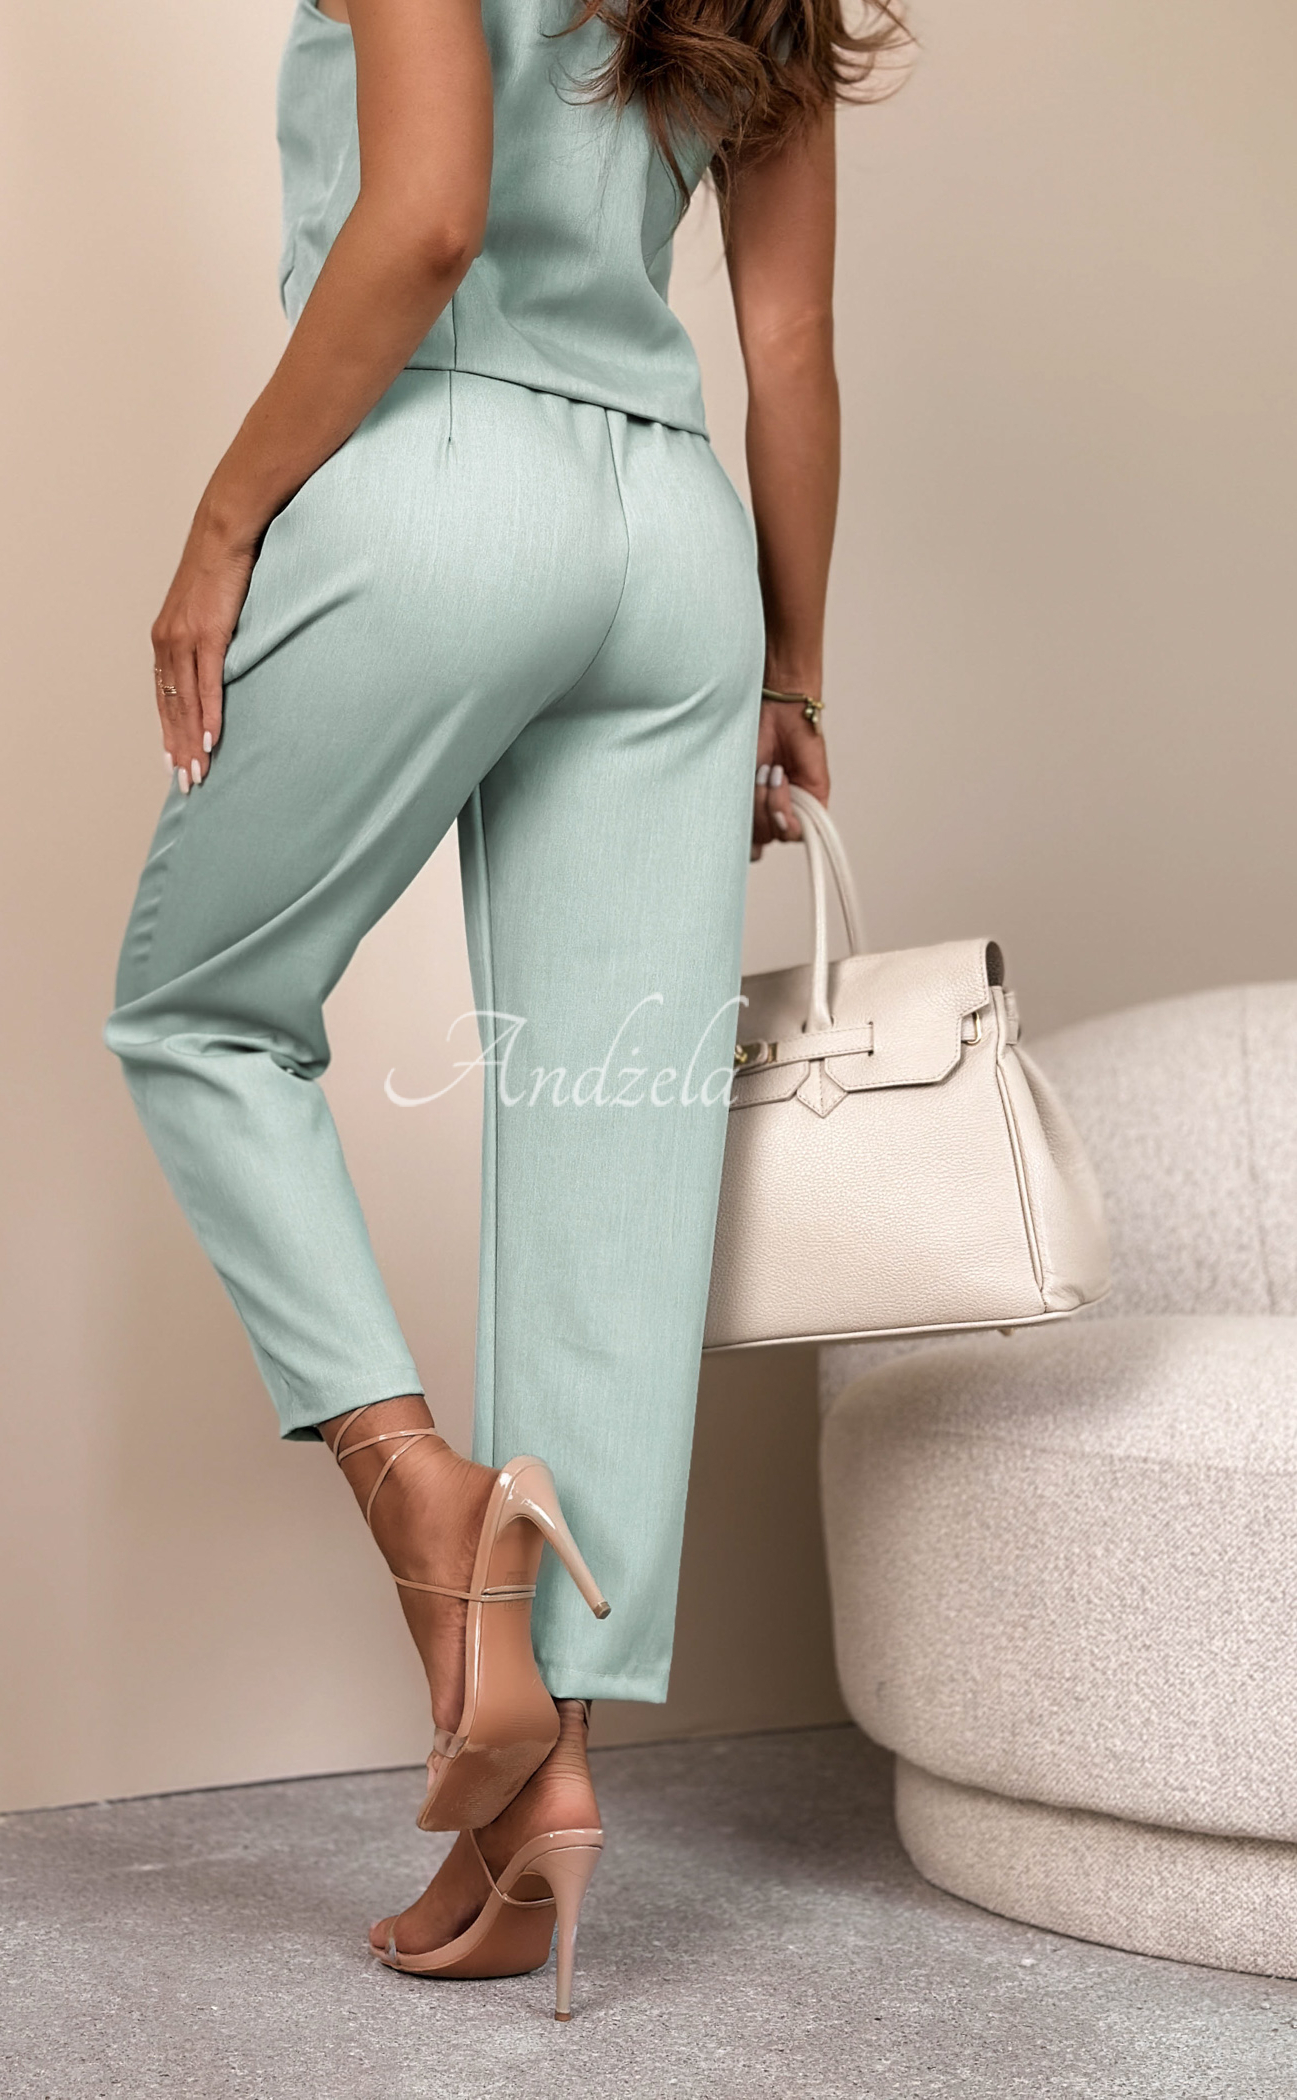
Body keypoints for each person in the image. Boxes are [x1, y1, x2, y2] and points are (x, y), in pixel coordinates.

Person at [105, 0, 902, 2021]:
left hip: (442, 467)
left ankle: (424, 1507)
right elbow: (792, 348)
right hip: (681, 556)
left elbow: (427, 218)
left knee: (201, 1013)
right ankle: (539, 1797)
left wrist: (224, 517)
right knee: (613, 1150)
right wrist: (791, 673)